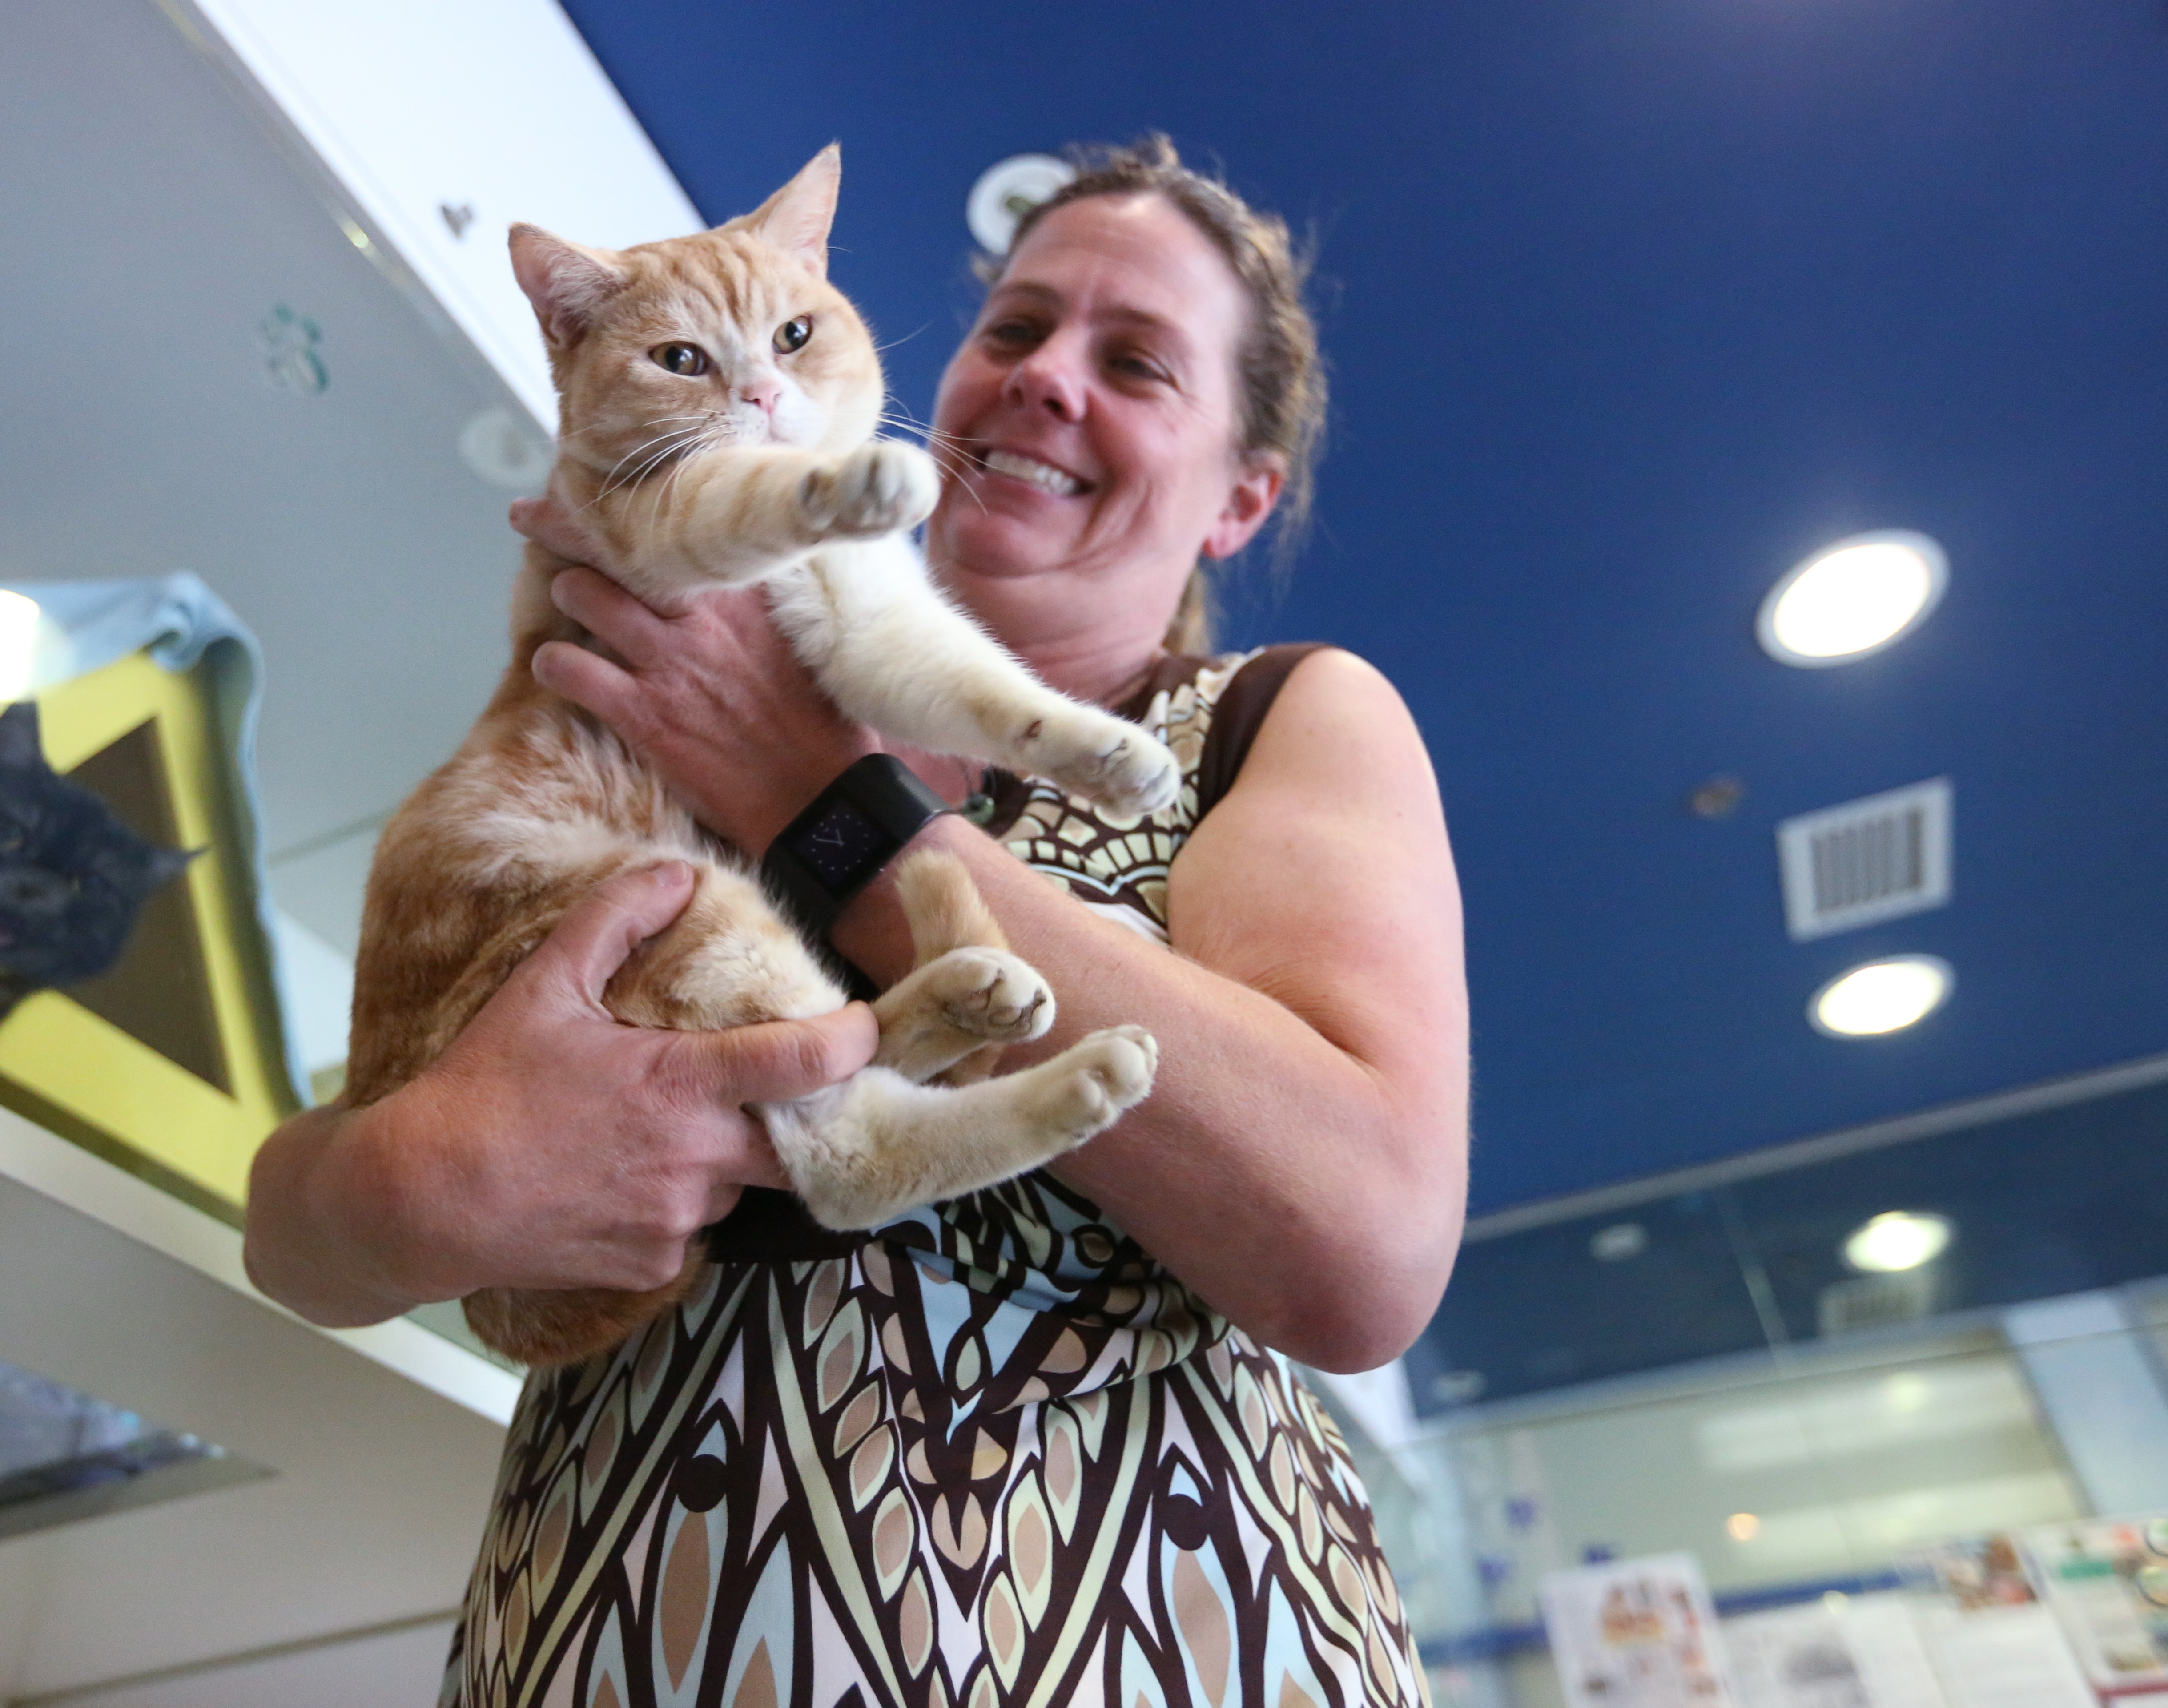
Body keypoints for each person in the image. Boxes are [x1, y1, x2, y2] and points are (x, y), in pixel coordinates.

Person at [249, 136, 1467, 1708]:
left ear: (1242, 498)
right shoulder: (644, 676)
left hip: (1145, 1645)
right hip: (619, 1640)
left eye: (1138, 363)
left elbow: (1360, 1252)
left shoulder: (1272, 720)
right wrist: (417, 1181)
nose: (1043, 381)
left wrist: (822, 794)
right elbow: (299, 1225)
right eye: (1015, 329)